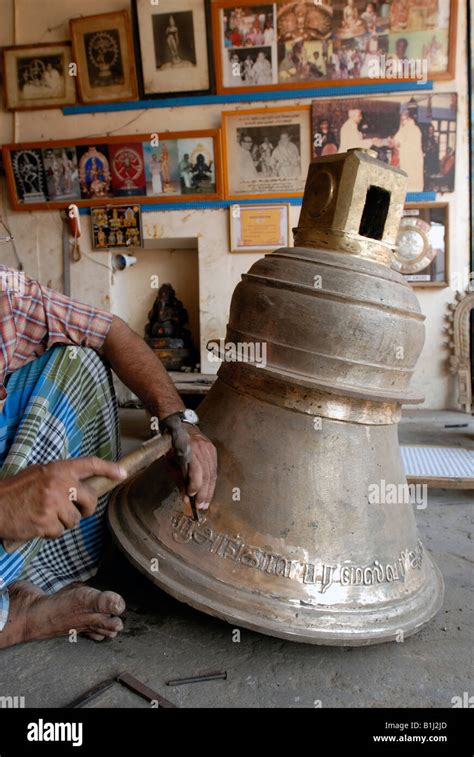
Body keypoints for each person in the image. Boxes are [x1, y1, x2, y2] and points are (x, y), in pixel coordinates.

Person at [0, 267, 217, 648]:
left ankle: (41, 573)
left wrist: (179, 422)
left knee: (78, 360)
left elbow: (110, 332)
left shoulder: (8, 294)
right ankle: (17, 621)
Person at [390, 110, 424, 192]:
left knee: (414, 184)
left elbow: (411, 147)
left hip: (413, 161)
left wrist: (399, 145)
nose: (402, 122)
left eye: (404, 119)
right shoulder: (403, 129)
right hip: (405, 161)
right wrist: (394, 143)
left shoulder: (415, 129)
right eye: (401, 119)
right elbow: (395, 140)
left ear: (409, 119)